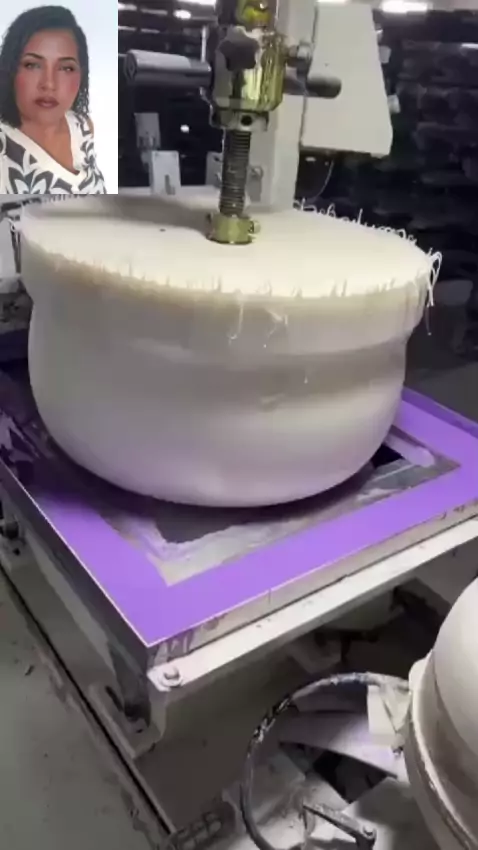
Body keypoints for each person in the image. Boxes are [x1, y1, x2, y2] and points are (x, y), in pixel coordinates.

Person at [0, 5, 106, 194]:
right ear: (10, 70)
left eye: (66, 68)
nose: (49, 84)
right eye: (32, 65)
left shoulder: (83, 127)